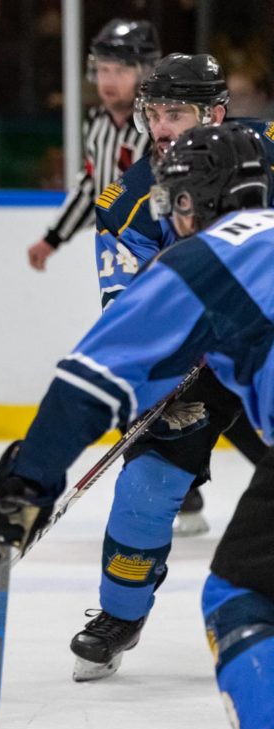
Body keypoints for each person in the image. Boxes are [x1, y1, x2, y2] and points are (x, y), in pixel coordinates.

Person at [0, 121, 274, 729]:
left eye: (181, 203)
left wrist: (28, 479)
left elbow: (93, 379)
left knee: (245, 599)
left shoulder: (210, 257)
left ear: (197, 201)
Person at [68, 53, 274, 683]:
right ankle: (120, 615)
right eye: (152, 112)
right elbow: (129, 314)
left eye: (175, 112)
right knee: (144, 492)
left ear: (215, 112)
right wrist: (151, 381)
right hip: (199, 371)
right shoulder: (128, 201)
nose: (159, 127)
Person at [26, 19, 158, 272]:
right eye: (103, 70)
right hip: (116, 253)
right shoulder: (97, 124)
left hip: (156, 252)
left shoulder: (158, 128)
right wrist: (52, 239)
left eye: (121, 71)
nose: (109, 81)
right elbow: (91, 186)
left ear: (144, 74)